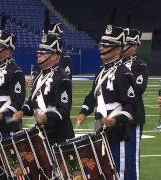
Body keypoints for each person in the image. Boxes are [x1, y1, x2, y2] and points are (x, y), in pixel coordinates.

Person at [76, 25, 136, 179]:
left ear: (117, 49)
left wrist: (115, 119)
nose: (102, 48)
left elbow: (131, 106)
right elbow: (93, 95)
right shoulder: (101, 71)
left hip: (118, 132)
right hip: (100, 128)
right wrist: (84, 111)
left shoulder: (124, 73)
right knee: (104, 172)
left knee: (119, 173)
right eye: (102, 44)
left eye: (107, 45)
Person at [14, 18, 74, 145]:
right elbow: (31, 102)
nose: (39, 54)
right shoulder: (40, 76)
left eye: (43, 52)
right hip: (42, 135)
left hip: (60, 136)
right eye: (39, 52)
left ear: (55, 56)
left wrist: (47, 117)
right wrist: (23, 111)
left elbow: (64, 110)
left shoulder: (62, 78)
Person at [121, 27, 148, 179]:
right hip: (117, 115)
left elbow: (139, 88)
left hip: (134, 116)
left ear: (135, 46)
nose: (123, 47)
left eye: (127, 44)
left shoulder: (140, 65)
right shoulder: (116, 64)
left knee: (132, 157)